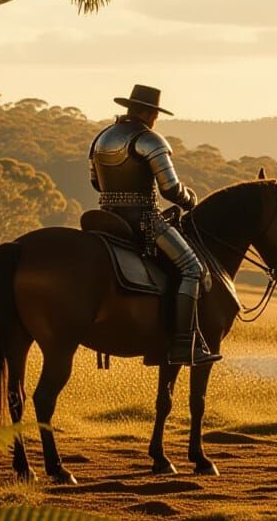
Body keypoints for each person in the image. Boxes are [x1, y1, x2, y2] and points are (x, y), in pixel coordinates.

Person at [89, 85, 219, 365]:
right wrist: (190, 199)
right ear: (149, 113)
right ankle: (184, 345)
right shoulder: (150, 140)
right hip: (143, 221)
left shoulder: (102, 138)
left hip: (106, 218)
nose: (154, 120)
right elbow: (170, 189)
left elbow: (95, 182)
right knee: (192, 269)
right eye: (155, 115)